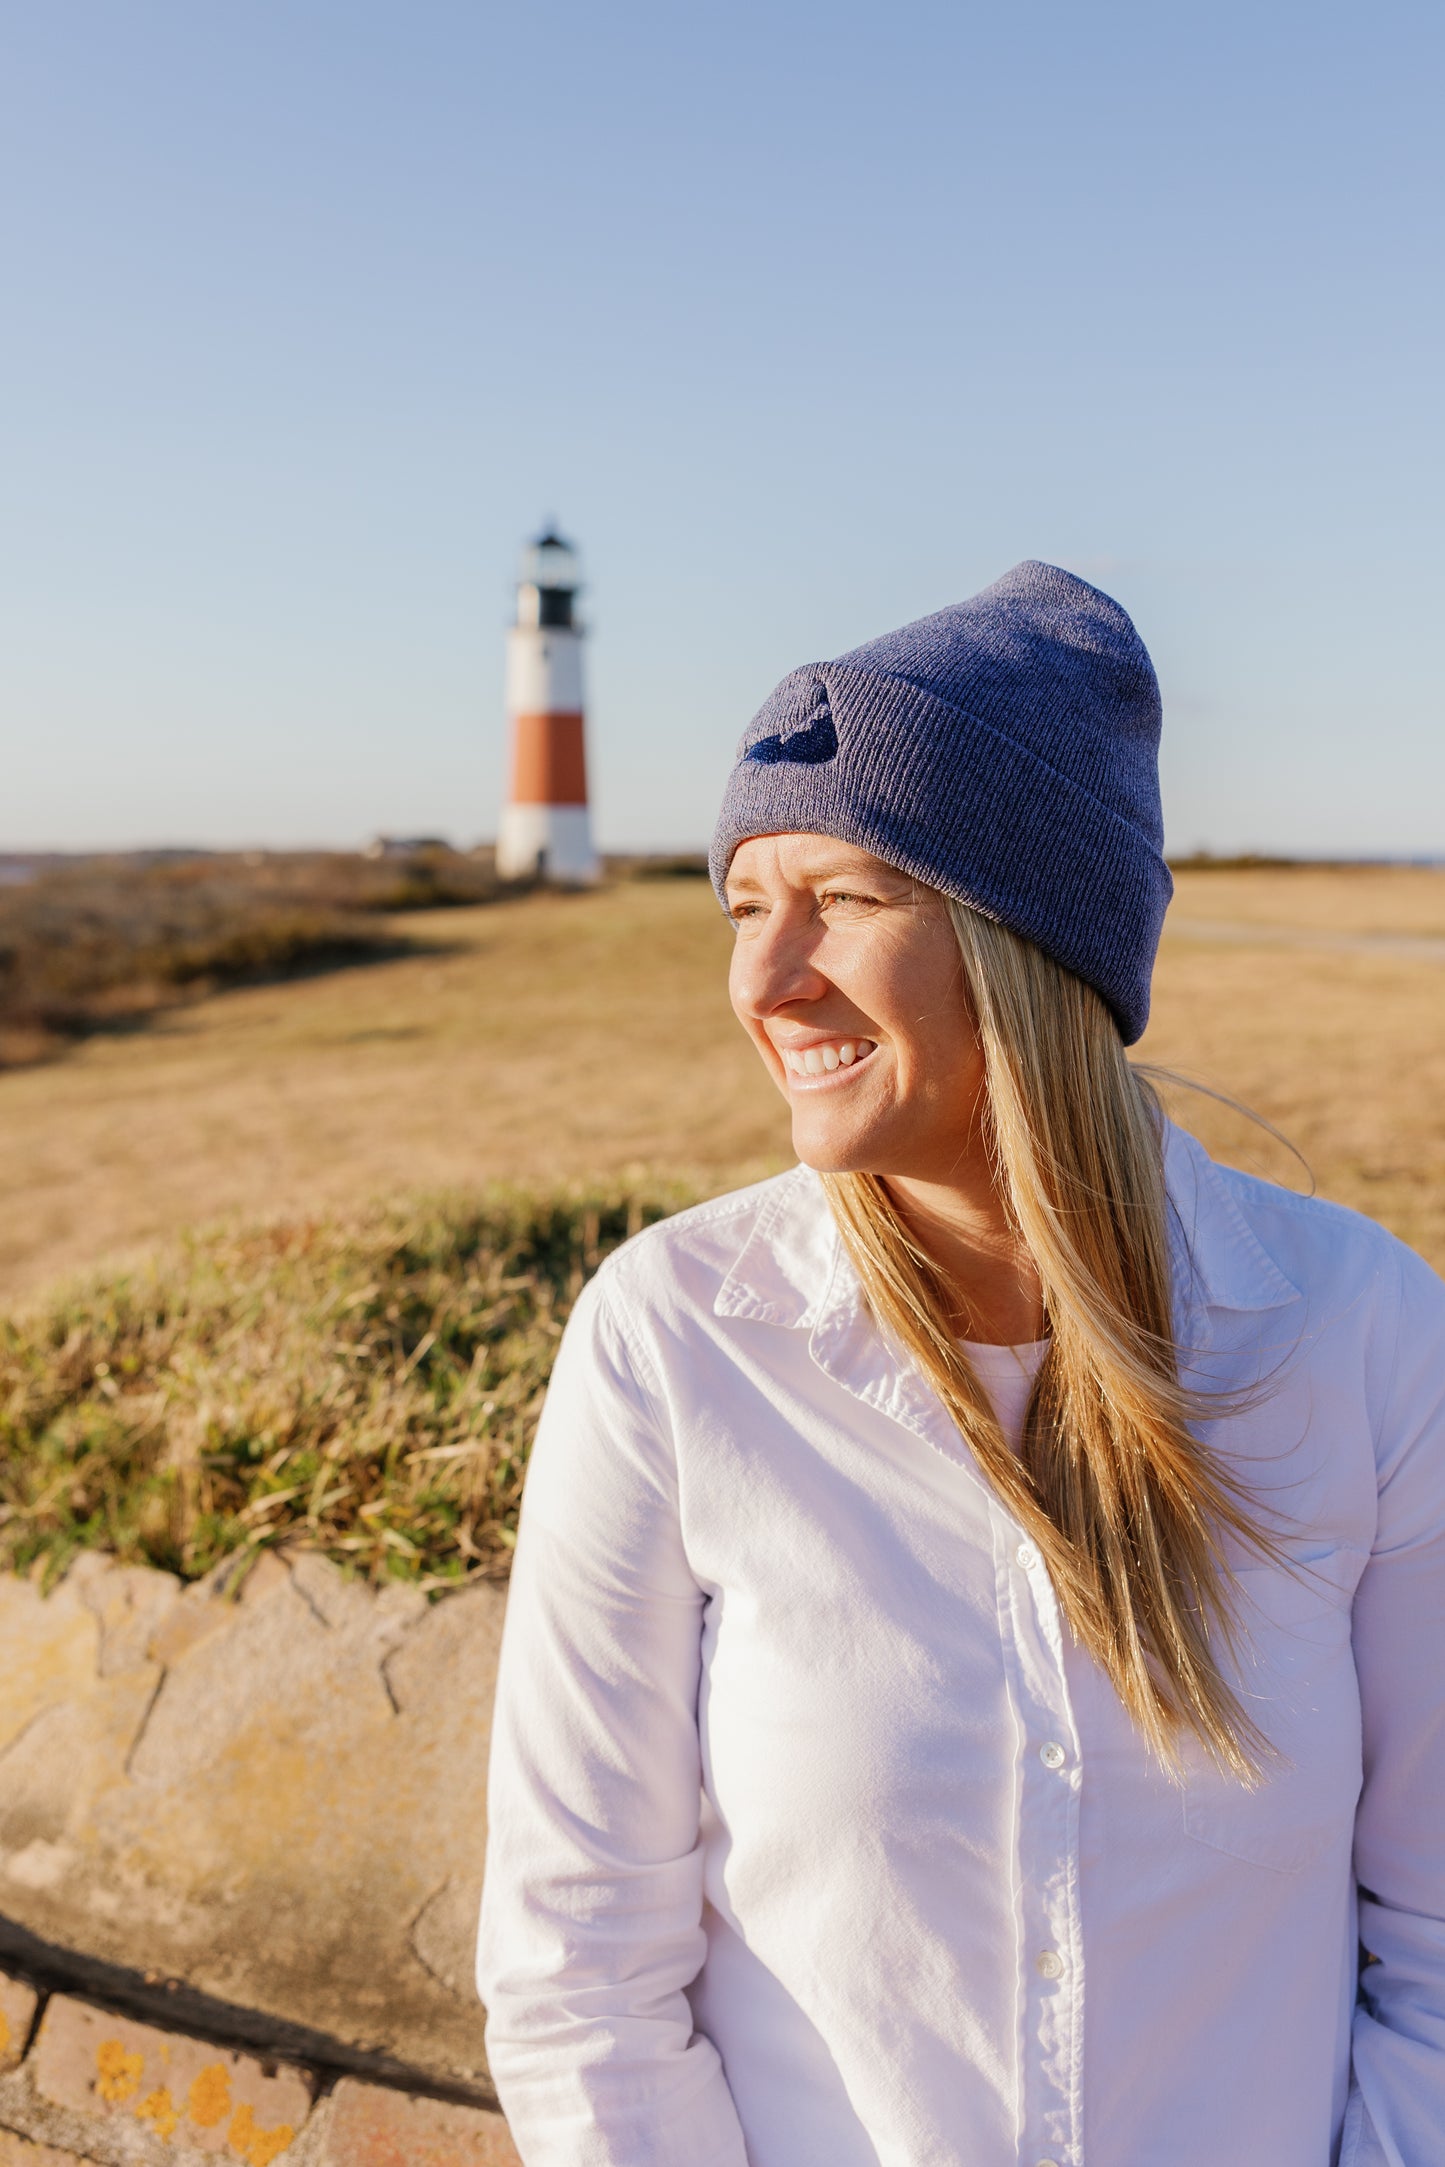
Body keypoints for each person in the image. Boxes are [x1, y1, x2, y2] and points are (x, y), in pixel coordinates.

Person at [475, 562, 1445, 2166]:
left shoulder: (1361, 1331)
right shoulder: (673, 1340)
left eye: (844, 900)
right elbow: (578, 1968)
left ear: (1027, 942)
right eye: (741, 904)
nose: (763, 978)